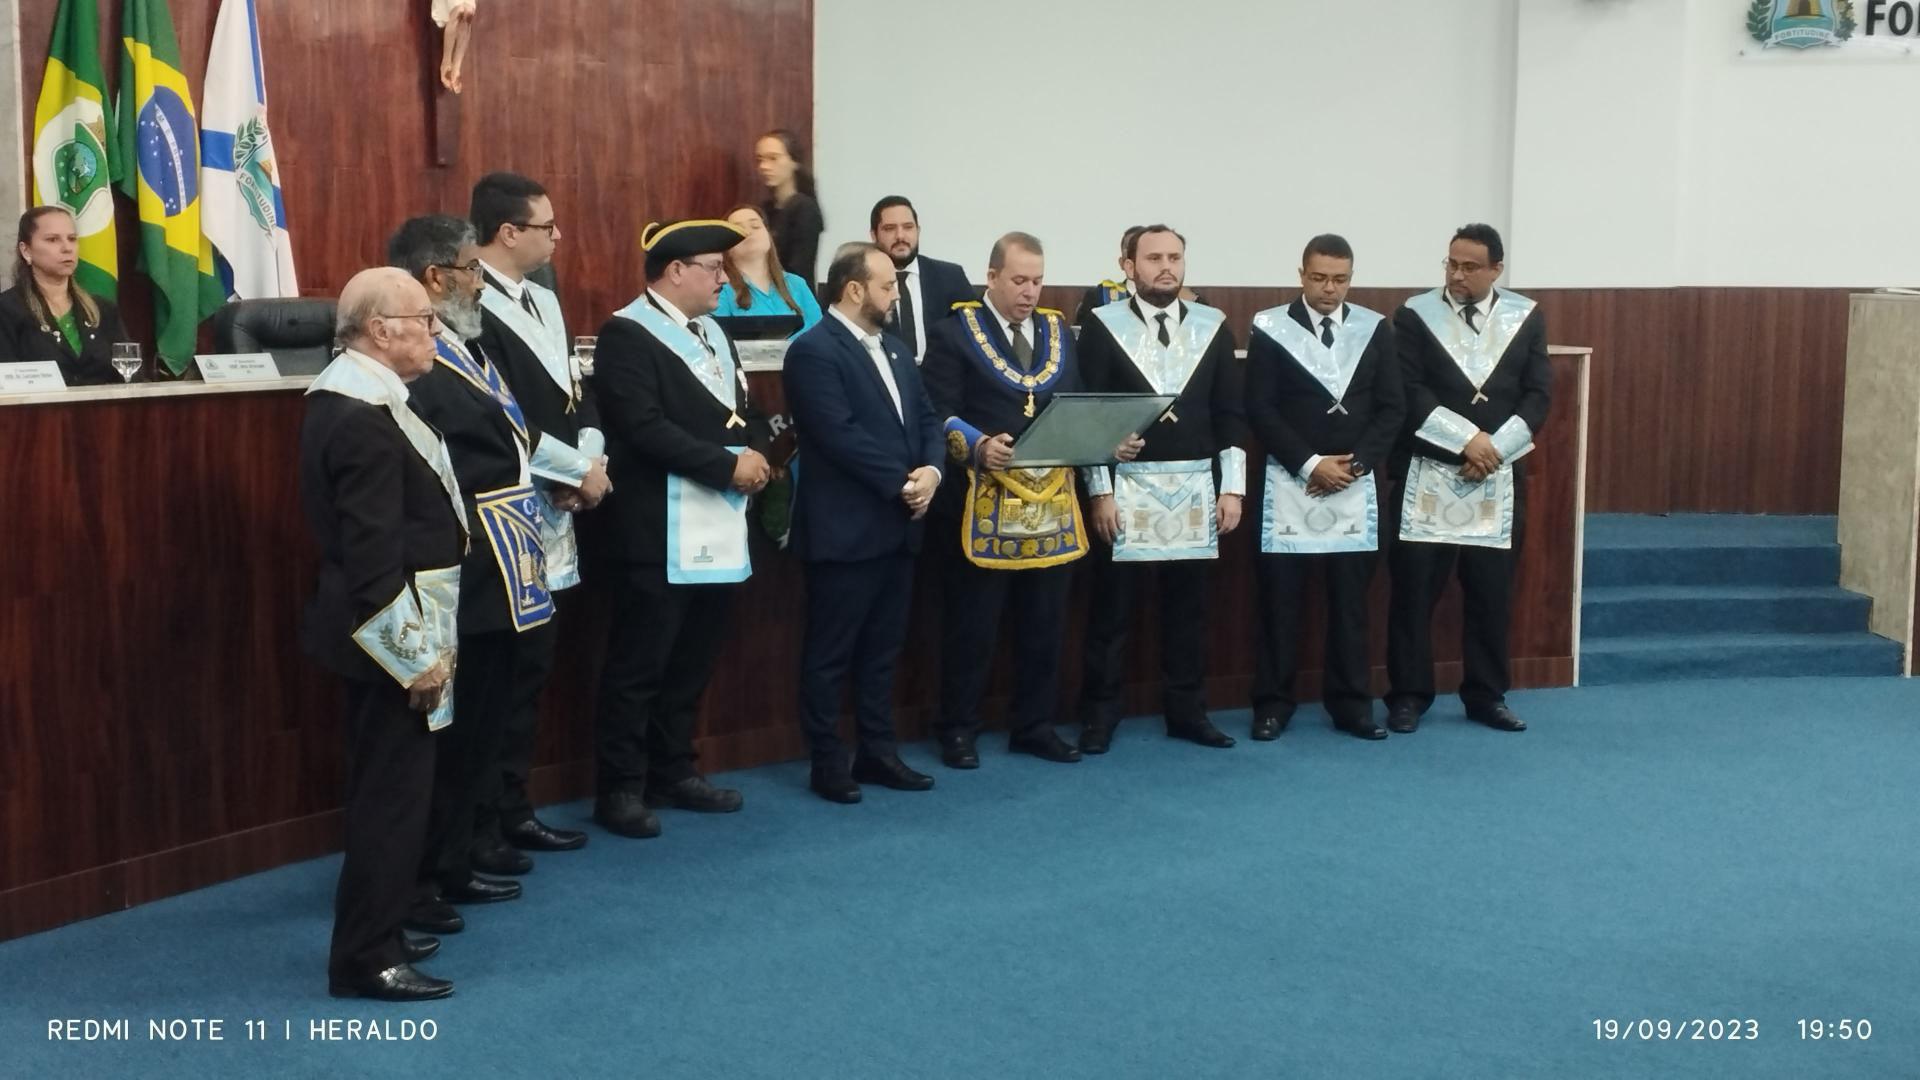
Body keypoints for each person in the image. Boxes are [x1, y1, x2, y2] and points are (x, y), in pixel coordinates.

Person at [386, 216, 610, 934]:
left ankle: (459, 855)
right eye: (470, 270)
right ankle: (426, 875)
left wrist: (567, 476)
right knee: (453, 732)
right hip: (467, 568)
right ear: (435, 278)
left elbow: (512, 436)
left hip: (509, 562)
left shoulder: (466, 345)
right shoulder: (417, 367)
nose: (481, 282)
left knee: (488, 720)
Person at [299, 267, 462, 1001]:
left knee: (395, 794)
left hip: (399, 626)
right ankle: (365, 959)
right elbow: (371, 559)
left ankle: (383, 927)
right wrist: (413, 658)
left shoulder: (365, 395)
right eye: (424, 318)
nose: (435, 330)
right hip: (388, 640)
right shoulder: (359, 416)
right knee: (389, 802)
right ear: (379, 330)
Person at [922, 231, 1142, 769]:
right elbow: (936, 412)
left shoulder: (1057, 330)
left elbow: (1077, 405)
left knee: (1045, 626)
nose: (1029, 292)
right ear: (991, 276)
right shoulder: (951, 334)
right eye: (1019, 280)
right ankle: (958, 729)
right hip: (982, 503)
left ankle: (1035, 726)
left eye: (1038, 281)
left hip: (1052, 506)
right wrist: (976, 444)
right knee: (974, 628)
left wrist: (1106, 443)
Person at [591, 219, 773, 837]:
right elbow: (642, 427)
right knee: (639, 665)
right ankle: (620, 786)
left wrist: (757, 452)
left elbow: (741, 410)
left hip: (717, 523)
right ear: (675, 271)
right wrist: (727, 465)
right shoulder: (626, 334)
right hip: (655, 529)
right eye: (713, 268)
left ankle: (673, 770)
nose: (724, 279)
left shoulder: (714, 331)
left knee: (693, 659)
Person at [782, 242, 945, 803]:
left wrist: (932, 472)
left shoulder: (896, 349)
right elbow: (837, 434)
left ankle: (877, 752)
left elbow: (927, 418)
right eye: (887, 286)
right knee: (831, 654)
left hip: (900, 525)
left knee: (882, 652)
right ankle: (827, 762)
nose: (896, 294)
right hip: (845, 529)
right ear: (854, 289)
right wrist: (904, 483)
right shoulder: (812, 350)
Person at [1075, 224, 1247, 754]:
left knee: (1189, 612)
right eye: (1154, 258)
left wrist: (1232, 489)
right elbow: (1090, 414)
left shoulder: (1212, 325)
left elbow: (1230, 413)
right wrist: (1099, 492)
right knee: (1112, 613)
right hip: (1125, 491)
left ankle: (1188, 712)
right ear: (1129, 266)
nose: (1166, 267)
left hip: (1196, 489)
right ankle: (1100, 715)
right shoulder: (1101, 326)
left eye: (1174, 257)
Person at [468, 172, 599, 860]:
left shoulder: (544, 296)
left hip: (560, 504)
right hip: (508, 506)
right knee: (501, 675)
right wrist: (574, 470)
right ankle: (481, 822)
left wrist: (592, 461)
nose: (558, 236)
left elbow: (576, 390)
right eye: (547, 226)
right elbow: (502, 415)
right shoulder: (471, 304)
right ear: (508, 231)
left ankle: (515, 806)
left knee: (534, 669)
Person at [1386, 223, 1551, 735]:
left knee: (1490, 594)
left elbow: (1538, 394)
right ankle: (1408, 695)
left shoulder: (1525, 316)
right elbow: (1408, 389)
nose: (1457, 275)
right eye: (1451, 264)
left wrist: (1493, 449)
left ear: (1496, 269)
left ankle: (1486, 695)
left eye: (1470, 267)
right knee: (1414, 593)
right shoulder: (1414, 315)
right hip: (1430, 471)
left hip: (1496, 474)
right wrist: (1466, 440)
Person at [1245, 234, 1404, 742]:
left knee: (1351, 604)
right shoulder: (1271, 327)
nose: (1329, 289)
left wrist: (1357, 465)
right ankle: (1272, 705)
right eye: (1319, 278)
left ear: (1351, 279)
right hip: (1289, 480)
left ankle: (1352, 705)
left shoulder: (1374, 328)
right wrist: (1310, 464)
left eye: (1339, 279)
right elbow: (1260, 407)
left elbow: (1392, 407)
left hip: (1354, 483)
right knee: (1280, 604)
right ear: (1301, 275)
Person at [0, 206, 131, 384]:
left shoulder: (103, 310)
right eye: (52, 239)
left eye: (72, 239)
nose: (67, 248)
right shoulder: (7, 310)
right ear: (26, 251)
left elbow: (130, 377)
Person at [868, 195, 974, 364]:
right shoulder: (864, 283)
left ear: (918, 231)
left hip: (941, 375)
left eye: (908, 227)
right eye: (889, 229)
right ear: (874, 235)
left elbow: (974, 336)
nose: (900, 236)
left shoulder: (951, 276)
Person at [714, 204, 822, 336]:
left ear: (769, 235)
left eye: (755, 226)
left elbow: (820, 335)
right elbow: (717, 338)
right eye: (738, 229)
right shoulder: (720, 289)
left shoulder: (797, 284)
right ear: (726, 246)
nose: (748, 232)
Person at [756, 129, 824, 287]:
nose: (764, 166)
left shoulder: (804, 208)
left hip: (792, 296)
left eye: (773, 158)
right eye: (760, 159)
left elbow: (799, 269)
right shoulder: (765, 209)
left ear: (794, 161)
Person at [1073, 224, 1143, 328]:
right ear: (1122, 263)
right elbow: (1081, 334)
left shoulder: (1165, 298)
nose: (1135, 255)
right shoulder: (1099, 296)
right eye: (1130, 249)